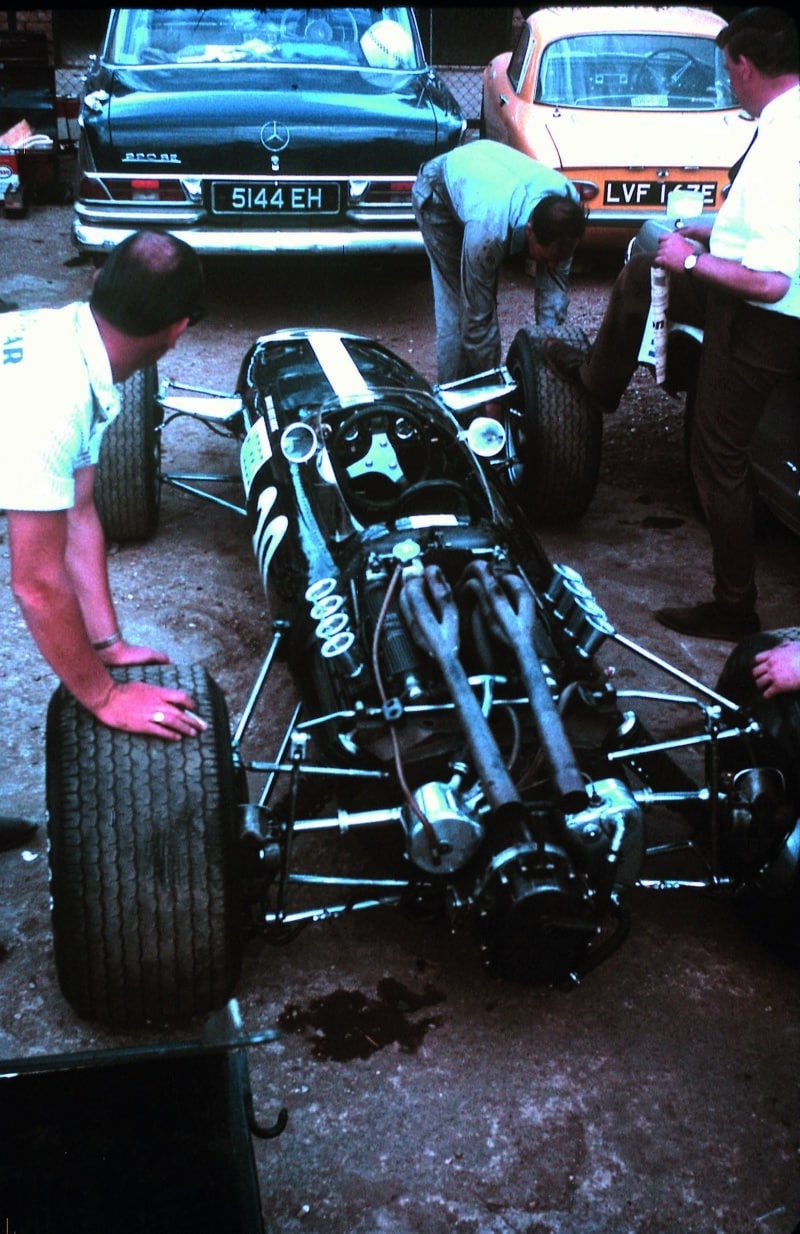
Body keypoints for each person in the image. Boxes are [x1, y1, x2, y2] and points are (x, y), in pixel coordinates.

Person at [542, 7, 800, 643]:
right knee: (646, 250)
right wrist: (707, 229)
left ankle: (734, 605)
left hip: (763, 321)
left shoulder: (778, 142)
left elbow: (772, 281)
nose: (729, 83)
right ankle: (599, 382)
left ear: (744, 65)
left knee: (719, 459)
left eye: (728, 70)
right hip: (758, 300)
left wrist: (691, 259)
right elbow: (773, 231)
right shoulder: (788, 122)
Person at [1, 230, 210, 766]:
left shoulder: (75, 345)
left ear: (99, 282)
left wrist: (107, 645)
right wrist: (106, 695)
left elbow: (78, 511)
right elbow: (36, 584)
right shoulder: (52, 399)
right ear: (178, 330)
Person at [412, 138, 587, 385]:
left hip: (484, 173)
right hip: (438, 189)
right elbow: (478, 319)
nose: (553, 266)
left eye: (561, 259)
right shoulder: (488, 233)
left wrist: (548, 369)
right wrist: (493, 391)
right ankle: (452, 404)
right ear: (530, 231)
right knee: (458, 307)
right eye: (548, 259)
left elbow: (553, 303)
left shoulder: (565, 210)